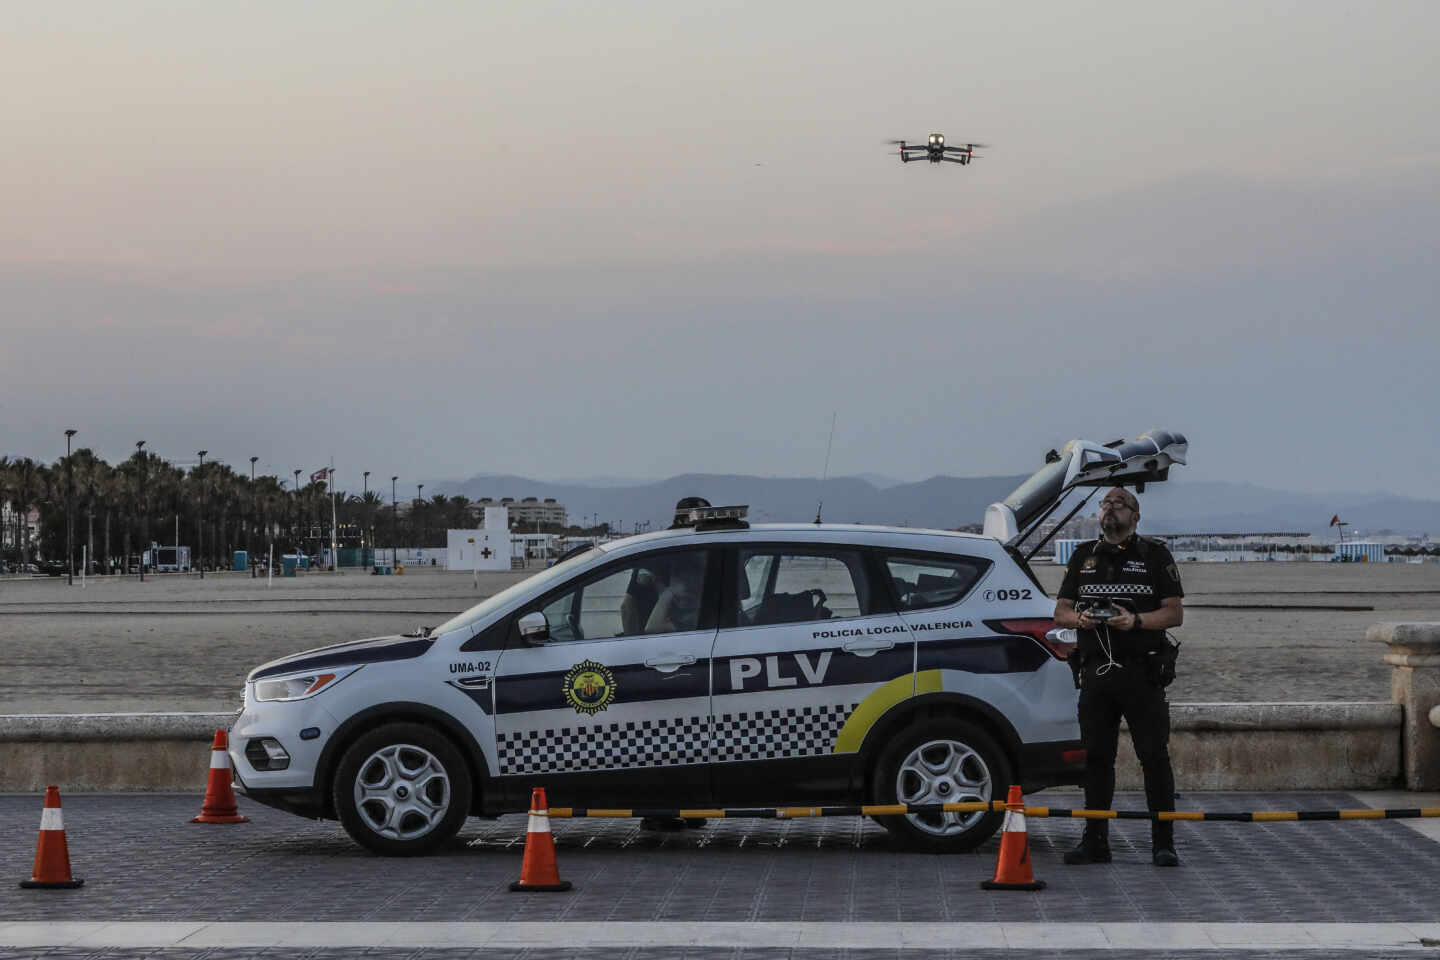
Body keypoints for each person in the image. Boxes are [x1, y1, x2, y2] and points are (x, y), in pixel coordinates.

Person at [1053, 486, 1185, 867]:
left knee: (1154, 757)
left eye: (1120, 504)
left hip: (1142, 671)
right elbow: (1060, 610)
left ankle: (1163, 843)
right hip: (1096, 672)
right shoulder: (1083, 557)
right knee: (1095, 759)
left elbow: (1174, 613)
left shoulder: (1154, 555)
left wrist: (1136, 621)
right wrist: (1078, 619)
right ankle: (1095, 841)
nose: (1111, 509)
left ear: (1136, 516)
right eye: (1106, 504)